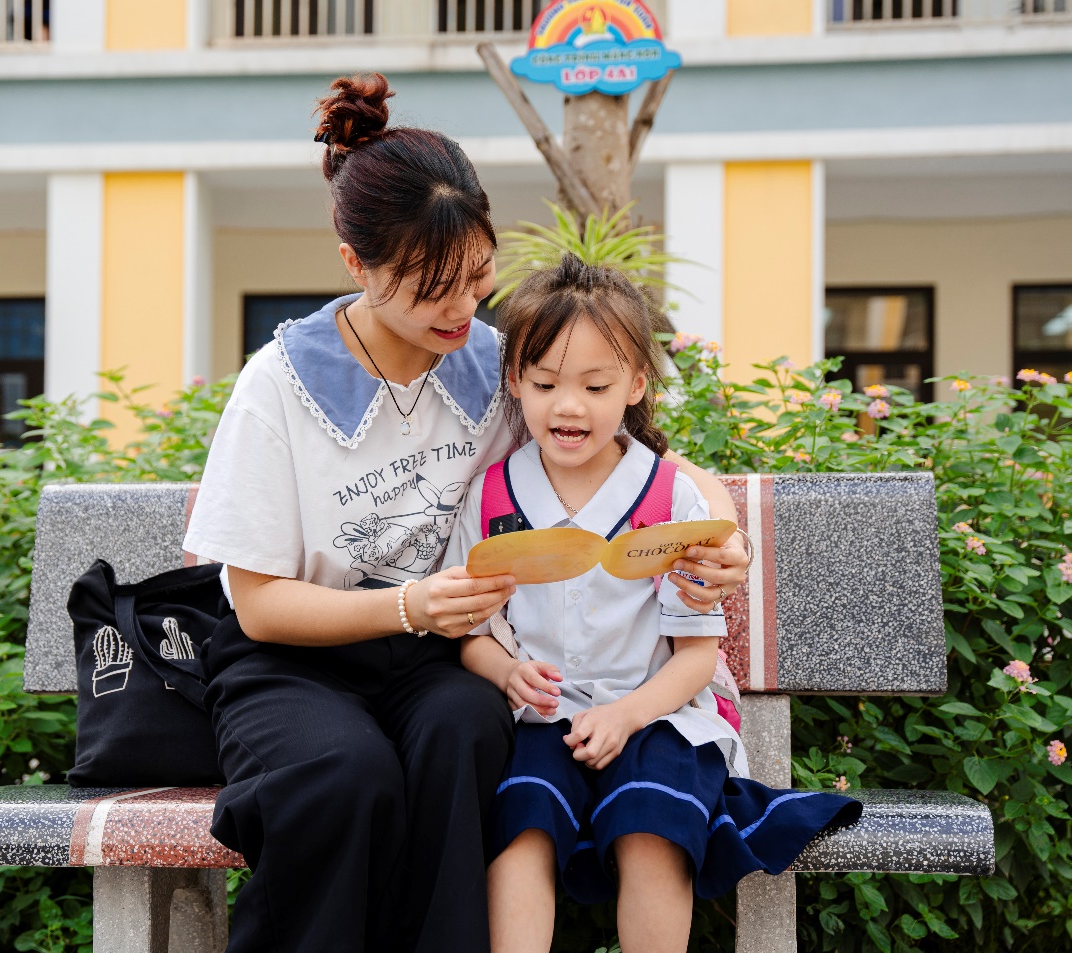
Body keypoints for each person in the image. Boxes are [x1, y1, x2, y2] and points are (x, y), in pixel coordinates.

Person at [183, 73, 750, 953]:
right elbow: (257, 602)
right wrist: (409, 606)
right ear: (356, 267)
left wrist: (722, 530)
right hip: (293, 659)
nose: (462, 307)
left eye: (478, 275)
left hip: (436, 660)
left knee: (464, 729)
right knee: (345, 773)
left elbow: (643, 452)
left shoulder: (493, 361)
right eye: (431, 287)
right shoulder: (280, 386)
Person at [450, 257, 862, 953]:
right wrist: (502, 672)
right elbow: (470, 631)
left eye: (595, 384)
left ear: (636, 383)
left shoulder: (670, 499)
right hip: (543, 715)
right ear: (515, 380)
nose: (568, 406)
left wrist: (626, 714)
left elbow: (697, 658)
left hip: (659, 710)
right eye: (545, 382)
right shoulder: (492, 496)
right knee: (520, 823)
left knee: (652, 828)